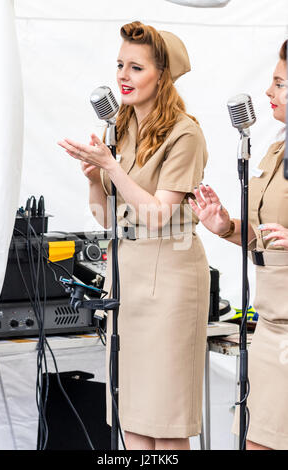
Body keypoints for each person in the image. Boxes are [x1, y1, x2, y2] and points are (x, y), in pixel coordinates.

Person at [58, 21, 210, 451]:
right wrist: (94, 178)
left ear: (162, 75)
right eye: (120, 65)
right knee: (132, 415)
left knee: (166, 420)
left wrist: (112, 167)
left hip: (172, 277)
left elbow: (159, 215)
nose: (123, 76)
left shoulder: (185, 133)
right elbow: (108, 217)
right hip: (128, 275)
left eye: (136, 68)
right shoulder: (120, 129)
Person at [188, 40, 288, 451]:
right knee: (253, 439)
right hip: (270, 323)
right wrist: (225, 225)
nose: (267, 92)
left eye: (279, 83)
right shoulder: (277, 149)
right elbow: (267, 232)